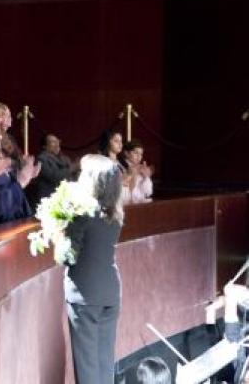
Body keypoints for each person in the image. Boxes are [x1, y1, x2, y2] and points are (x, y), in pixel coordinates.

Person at [64, 154, 124, 384]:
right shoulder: (115, 214)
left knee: (88, 366)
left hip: (85, 295)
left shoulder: (81, 214)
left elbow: (67, 257)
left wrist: (59, 232)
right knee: (104, 362)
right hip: (110, 292)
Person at [28, 133, 75, 208]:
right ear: (44, 146)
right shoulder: (42, 159)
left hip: (66, 198)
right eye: (53, 142)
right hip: (50, 199)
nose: (57, 144)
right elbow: (54, 176)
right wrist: (72, 169)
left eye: (57, 141)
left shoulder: (65, 158)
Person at [120, 139, 153, 204]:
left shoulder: (141, 167)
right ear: (126, 153)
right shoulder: (120, 167)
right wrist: (132, 174)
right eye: (135, 153)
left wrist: (145, 177)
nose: (139, 157)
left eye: (141, 154)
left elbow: (148, 192)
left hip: (139, 203)